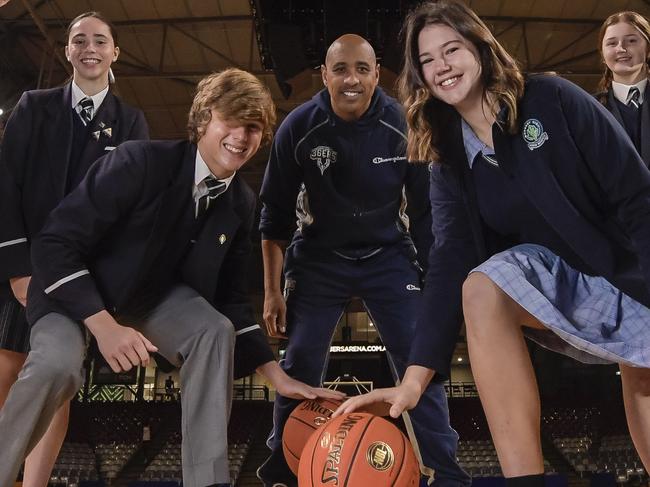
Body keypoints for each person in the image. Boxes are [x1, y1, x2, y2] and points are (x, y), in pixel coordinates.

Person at [335, 2, 650, 486]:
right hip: (559, 281)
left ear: (480, 48)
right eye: (427, 59)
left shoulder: (551, 97)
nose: (441, 66)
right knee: (480, 285)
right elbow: (448, 260)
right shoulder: (447, 154)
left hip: (629, 267)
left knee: (642, 371)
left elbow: (635, 195)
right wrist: (414, 378)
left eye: (452, 49)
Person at [0, 67, 343, 487]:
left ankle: (207, 481)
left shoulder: (239, 200)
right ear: (203, 121)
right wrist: (104, 327)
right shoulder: (139, 160)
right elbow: (53, 245)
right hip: (75, 289)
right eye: (230, 120)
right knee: (59, 366)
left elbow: (231, 298)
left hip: (147, 298)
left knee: (213, 329)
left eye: (253, 127)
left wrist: (277, 376)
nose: (241, 135)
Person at [257, 33, 469, 487]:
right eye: (340, 69)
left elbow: (428, 215)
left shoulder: (404, 124)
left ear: (377, 74)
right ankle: (282, 462)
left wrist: (436, 288)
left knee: (420, 357)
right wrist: (273, 291)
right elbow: (272, 218)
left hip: (388, 254)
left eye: (361, 69)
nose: (351, 79)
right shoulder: (298, 127)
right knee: (299, 361)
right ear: (325, 75)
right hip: (318, 256)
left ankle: (447, 472)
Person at [0, 11, 149, 487]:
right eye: (79, 39)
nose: (90, 47)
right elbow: (5, 189)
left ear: (115, 52)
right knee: (7, 372)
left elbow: (132, 214)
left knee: (59, 386)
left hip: (79, 277)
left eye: (100, 40)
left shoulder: (130, 122)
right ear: (66, 51)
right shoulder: (33, 106)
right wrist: (18, 268)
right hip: (20, 270)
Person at [596, 11, 650, 166]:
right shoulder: (591, 108)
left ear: (648, 50)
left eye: (631, 41)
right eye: (612, 43)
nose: (621, 48)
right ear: (603, 54)